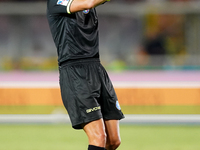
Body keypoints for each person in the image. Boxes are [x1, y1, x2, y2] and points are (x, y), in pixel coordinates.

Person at [46, 0, 124, 150]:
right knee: (98, 137)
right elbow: (88, 3)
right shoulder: (56, 2)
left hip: (96, 68)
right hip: (75, 72)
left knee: (114, 141)